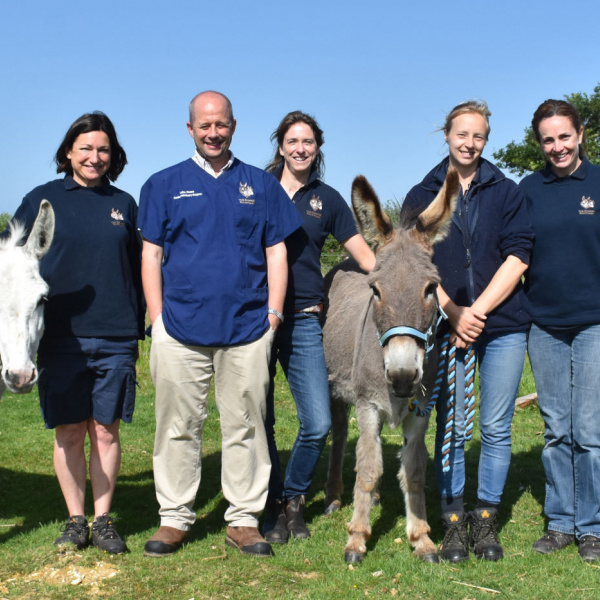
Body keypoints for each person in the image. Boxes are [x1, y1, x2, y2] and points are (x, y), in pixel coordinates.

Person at [138, 91, 302, 558]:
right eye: (204, 125)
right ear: (190, 128)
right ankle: (174, 518)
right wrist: (157, 321)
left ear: (234, 127)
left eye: (221, 125)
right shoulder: (163, 183)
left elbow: (277, 252)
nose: (214, 133)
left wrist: (272, 314)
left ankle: (243, 520)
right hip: (179, 329)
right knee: (177, 426)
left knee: (246, 426)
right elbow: (150, 254)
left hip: (248, 329)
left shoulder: (261, 185)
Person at [7, 112, 145, 553]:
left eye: (103, 149)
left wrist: (143, 319)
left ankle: (104, 519)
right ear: (68, 152)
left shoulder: (124, 204)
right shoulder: (41, 200)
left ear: (113, 155)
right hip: (60, 337)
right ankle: (75, 519)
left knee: (106, 430)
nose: (94, 157)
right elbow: (12, 264)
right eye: (85, 148)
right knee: (68, 432)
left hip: (116, 333)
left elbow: (140, 267)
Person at [402, 101, 533, 562]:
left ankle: (486, 518)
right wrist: (452, 312)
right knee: (452, 426)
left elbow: (518, 256)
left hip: (502, 326)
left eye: (478, 136)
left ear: (486, 139)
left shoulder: (507, 191)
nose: (469, 143)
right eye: (462, 134)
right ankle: (453, 519)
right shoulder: (422, 194)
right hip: (444, 328)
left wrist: (475, 311)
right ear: (447, 135)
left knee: (496, 427)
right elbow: (414, 265)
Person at [262, 112, 375, 544]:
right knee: (261, 419)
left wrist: (405, 275)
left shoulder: (326, 199)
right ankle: (272, 504)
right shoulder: (257, 189)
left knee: (317, 422)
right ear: (281, 146)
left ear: (317, 148)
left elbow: (364, 256)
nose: (300, 148)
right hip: (255, 316)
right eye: (293, 141)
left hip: (306, 315)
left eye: (308, 142)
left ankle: (294, 498)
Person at [520, 100, 600, 563]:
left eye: (564, 136)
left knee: (589, 428)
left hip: (593, 321)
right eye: (548, 139)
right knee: (556, 428)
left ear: (580, 135)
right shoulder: (528, 190)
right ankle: (560, 522)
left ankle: (591, 526)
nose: (557, 147)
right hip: (544, 323)